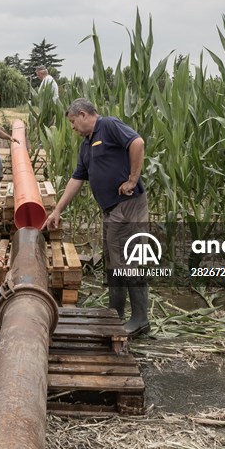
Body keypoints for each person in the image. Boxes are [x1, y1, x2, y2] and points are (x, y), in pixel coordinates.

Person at [42, 98, 150, 336]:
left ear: (83, 115)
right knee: (114, 261)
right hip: (111, 209)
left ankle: (140, 319)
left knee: (128, 262)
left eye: (72, 122)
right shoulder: (86, 145)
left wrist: (132, 179)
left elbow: (138, 142)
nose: (72, 128)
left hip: (128, 206)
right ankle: (116, 313)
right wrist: (57, 210)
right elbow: (76, 179)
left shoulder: (109, 125)